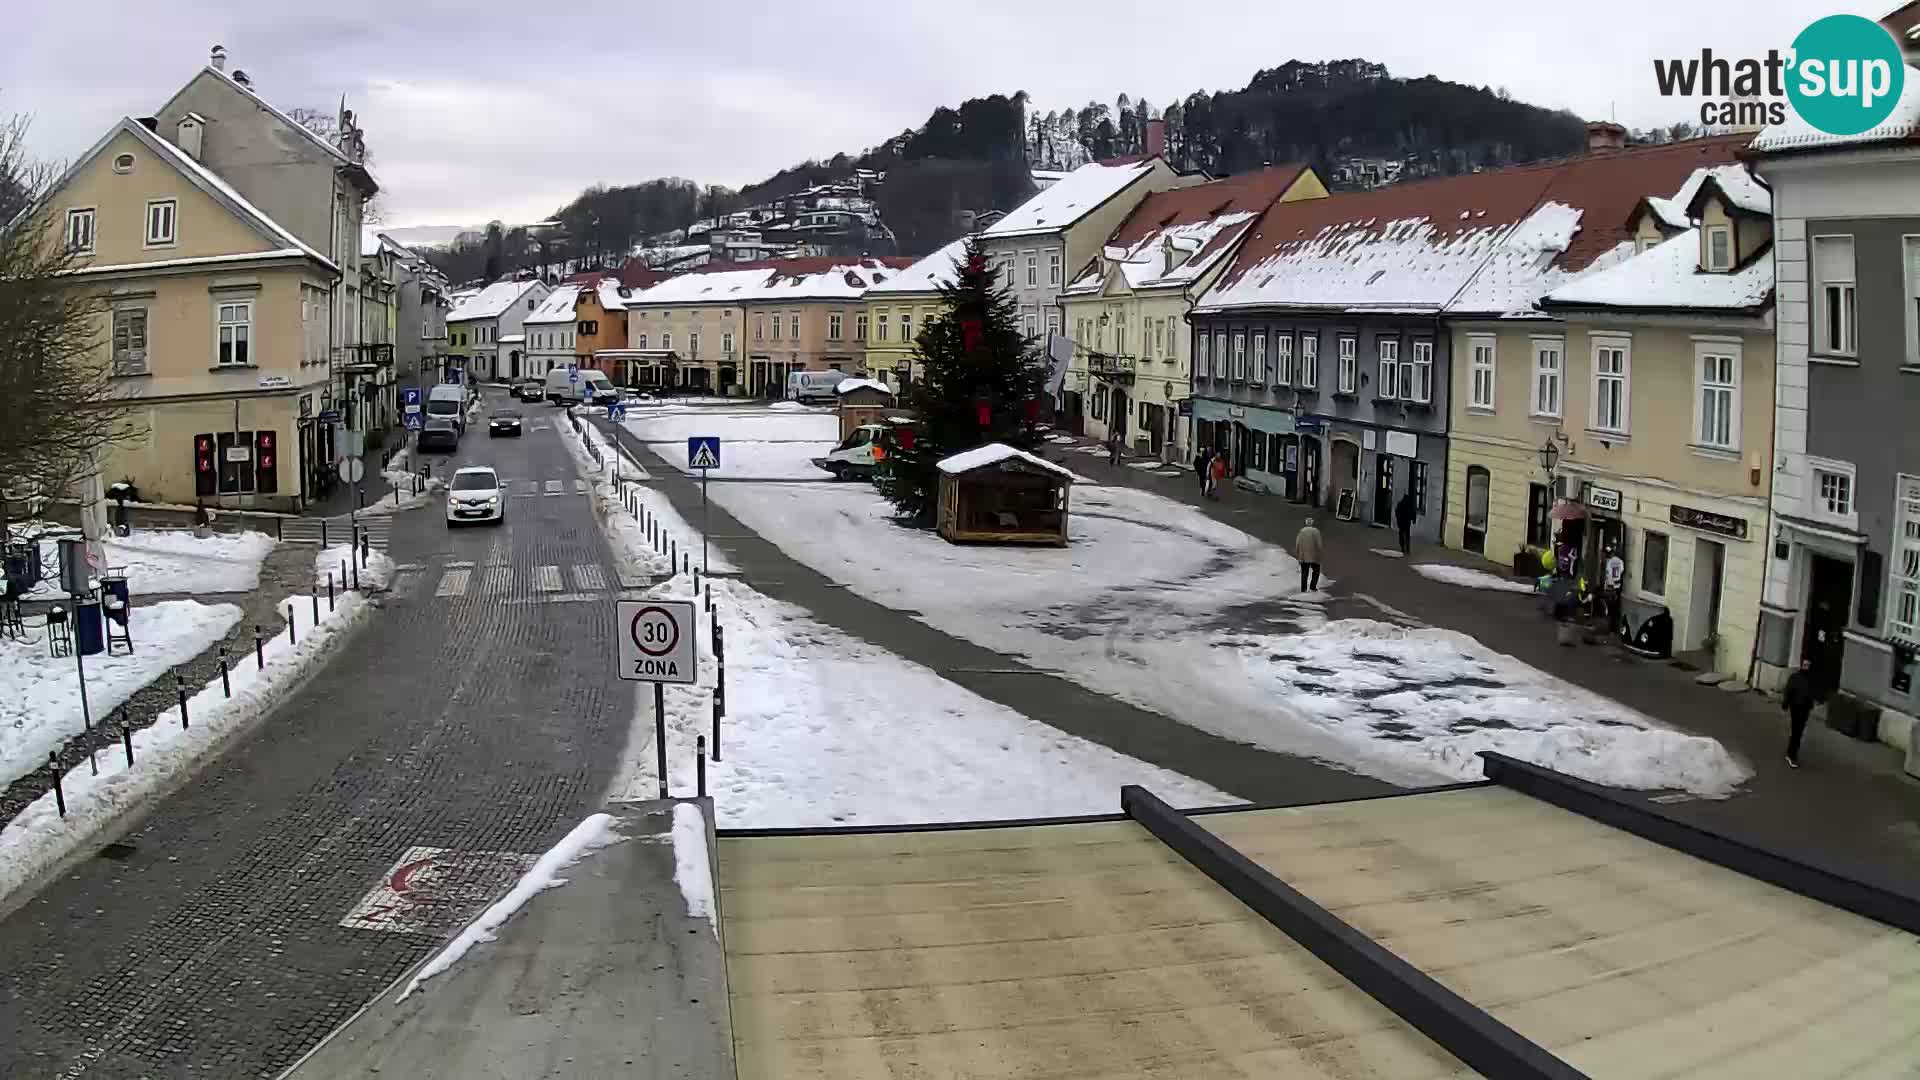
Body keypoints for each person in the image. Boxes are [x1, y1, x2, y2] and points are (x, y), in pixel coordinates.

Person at [1782, 657, 1824, 768]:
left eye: (1808, 665)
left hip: (1805, 709)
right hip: (1796, 708)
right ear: (1801, 665)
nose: (1806, 667)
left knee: (1798, 732)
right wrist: (1785, 704)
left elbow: (1813, 693)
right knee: (1796, 732)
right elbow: (1788, 691)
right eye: (1805, 665)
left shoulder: (1811, 679)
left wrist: (1814, 702)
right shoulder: (1795, 677)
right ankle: (1791, 755)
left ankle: (1791, 753)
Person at [1295, 517, 1324, 593]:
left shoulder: (1301, 531)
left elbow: (1297, 544)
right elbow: (1319, 544)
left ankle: (1303, 589)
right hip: (1314, 555)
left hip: (1303, 556)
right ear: (1312, 523)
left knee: (1304, 572)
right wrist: (1320, 554)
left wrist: (1298, 555)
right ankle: (1313, 586)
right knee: (1316, 571)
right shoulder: (1316, 531)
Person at [1601, 547, 1625, 630]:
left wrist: (1607, 586)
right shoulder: (1620, 561)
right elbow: (1621, 571)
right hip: (1618, 587)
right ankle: (1615, 626)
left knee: (1611, 608)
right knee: (1616, 607)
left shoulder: (1609, 562)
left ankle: (1611, 628)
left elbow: (1608, 575)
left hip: (1611, 587)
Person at [1394, 490, 1417, 555]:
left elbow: (1397, 513)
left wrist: (1398, 520)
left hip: (1401, 522)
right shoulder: (1409, 505)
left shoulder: (1400, 504)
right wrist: (1413, 520)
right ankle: (1407, 548)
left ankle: (1403, 548)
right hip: (1407, 522)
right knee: (1407, 535)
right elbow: (1413, 512)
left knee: (1401, 535)